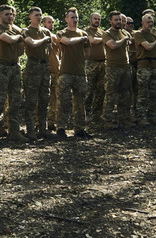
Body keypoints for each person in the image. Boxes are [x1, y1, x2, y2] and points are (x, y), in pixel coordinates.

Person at [0, 5, 25, 144]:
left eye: (11, 14)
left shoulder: (16, 30)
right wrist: (20, 37)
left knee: (15, 100)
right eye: (6, 14)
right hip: (1, 67)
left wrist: (19, 38)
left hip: (15, 66)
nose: (9, 16)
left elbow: (21, 51)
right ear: (0, 16)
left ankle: (14, 131)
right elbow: (8, 39)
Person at [56, 8, 91, 138]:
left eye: (76, 17)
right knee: (64, 101)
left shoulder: (83, 33)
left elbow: (87, 53)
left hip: (80, 73)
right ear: (66, 19)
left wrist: (83, 40)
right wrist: (81, 39)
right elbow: (66, 42)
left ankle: (80, 129)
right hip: (66, 73)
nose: (75, 20)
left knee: (80, 102)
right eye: (72, 18)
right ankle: (61, 128)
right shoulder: (61, 33)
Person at [22, 8, 53, 141]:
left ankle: (43, 129)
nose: (39, 17)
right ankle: (30, 130)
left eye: (40, 15)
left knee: (45, 98)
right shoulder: (26, 31)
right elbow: (32, 44)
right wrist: (44, 39)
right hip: (33, 67)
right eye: (36, 15)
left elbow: (50, 49)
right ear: (30, 16)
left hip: (44, 66)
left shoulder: (45, 31)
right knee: (31, 100)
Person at [102, 11, 132, 130]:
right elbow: (113, 45)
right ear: (111, 21)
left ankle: (123, 118)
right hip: (113, 67)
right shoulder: (107, 33)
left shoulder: (123, 33)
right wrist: (124, 40)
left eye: (120, 20)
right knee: (111, 94)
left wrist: (125, 38)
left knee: (125, 94)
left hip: (125, 66)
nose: (118, 22)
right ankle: (107, 120)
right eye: (116, 20)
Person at [133, 13, 156, 127]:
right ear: (142, 23)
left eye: (152, 22)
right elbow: (148, 47)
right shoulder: (139, 34)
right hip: (144, 65)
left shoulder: (154, 34)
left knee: (154, 93)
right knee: (143, 93)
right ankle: (141, 117)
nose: (150, 24)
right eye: (148, 22)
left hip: (155, 65)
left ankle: (152, 116)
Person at [84, 12, 108, 132]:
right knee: (89, 89)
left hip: (102, 63)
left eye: (99, 19)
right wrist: (104, 38)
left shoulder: (102, 32)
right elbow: (92, 41)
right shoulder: (86, 31)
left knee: (101, 90)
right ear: (90, 19)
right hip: (91, 63)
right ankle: (86, 113)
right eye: (95, 18)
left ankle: (97, 114)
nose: (97, 21)